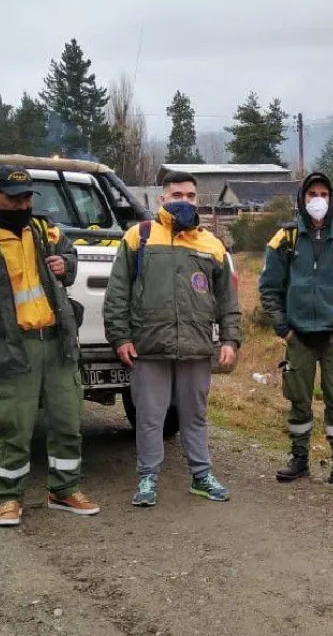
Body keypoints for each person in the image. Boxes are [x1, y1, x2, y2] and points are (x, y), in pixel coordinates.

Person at [0, 165, 99, 527]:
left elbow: (70, 257)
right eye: (14, 198)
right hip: (12, 348)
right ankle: (8, 497)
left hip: (57, 342)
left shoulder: (44, 229)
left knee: (67, 420)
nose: (22, 204)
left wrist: (65, 264)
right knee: (13, 426)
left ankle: (64, 490)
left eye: (28, 197)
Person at [103, 170, 242, 507]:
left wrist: (229, 339)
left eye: (190, 196)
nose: (184, 201)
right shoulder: (140, 237)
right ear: (162, 198)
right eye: (177, 195)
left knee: (195, 416)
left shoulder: (211, 244)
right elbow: (117, 293)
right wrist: (120, 337)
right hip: (150, 347)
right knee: (150, 417)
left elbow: (228, 299)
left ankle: (201, 476)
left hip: (196, 346)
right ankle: (147, 478)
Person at [258, 172, 333, 490]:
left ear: (332, 198)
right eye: (312, 194)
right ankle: (299, 459)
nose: (318, 200)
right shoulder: (286, 238)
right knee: (299, 400)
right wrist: (284, 328)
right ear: (302, 199)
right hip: (299, 337)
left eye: (323, 194)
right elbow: (269, 288)